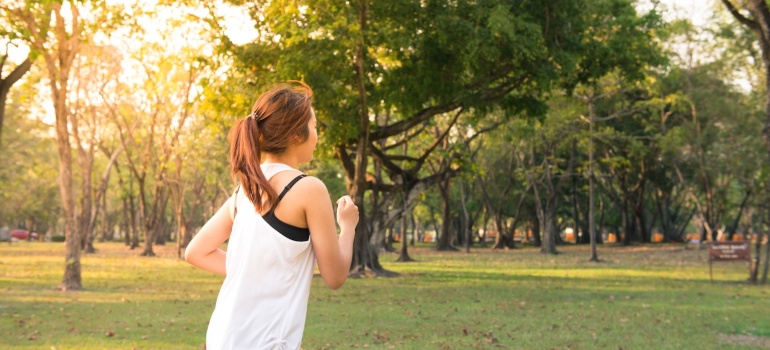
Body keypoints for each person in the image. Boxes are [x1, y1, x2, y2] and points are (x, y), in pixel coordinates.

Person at [184, 82, 359, 350]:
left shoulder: (245, 190)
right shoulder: (308, 189)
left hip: (221, 337)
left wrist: (252, 271)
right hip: (265, 342)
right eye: (314, 127)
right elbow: (334, 276)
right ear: (297, 135)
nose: (317, 135)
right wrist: (347, 227)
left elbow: (196, 251)